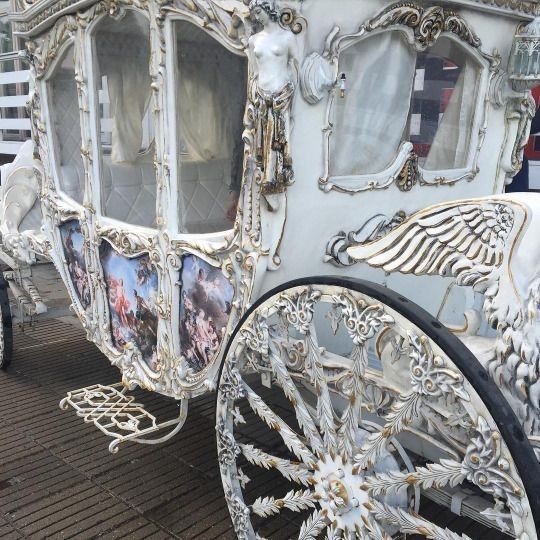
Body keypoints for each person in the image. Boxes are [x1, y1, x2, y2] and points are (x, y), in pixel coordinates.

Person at [247, 0, 297, 195]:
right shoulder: (254, 40)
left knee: (280, 139)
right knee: (263, 139)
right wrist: (255, 94)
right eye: (254, 14)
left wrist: (289, 92)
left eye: (259, 12)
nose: (257, 17)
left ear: (268, 9)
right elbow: (254, 71)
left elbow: (296, 67)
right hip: (261, 97)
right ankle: (266, 178)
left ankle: (278, 177)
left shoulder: (287, 38)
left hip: (281, 95)